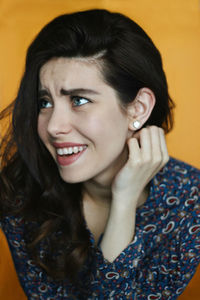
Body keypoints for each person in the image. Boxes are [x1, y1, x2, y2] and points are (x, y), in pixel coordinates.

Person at [0, 8, 199, 299]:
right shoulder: (22, 194)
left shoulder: (189, 202)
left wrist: (125, 200)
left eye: (79, 100)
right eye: (44, 102)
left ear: (138, 108)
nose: (53, 126)